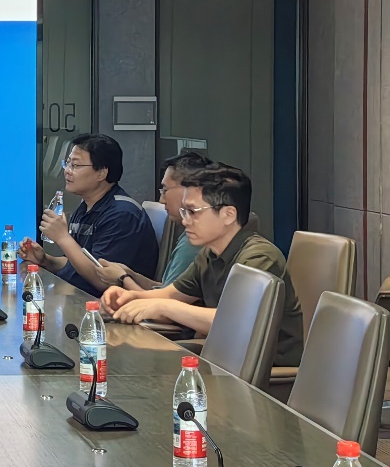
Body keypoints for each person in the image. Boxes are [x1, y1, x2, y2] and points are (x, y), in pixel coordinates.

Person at [100, 165, 303, 367]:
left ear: (228, 214)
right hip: (224, 354)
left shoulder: (260, 257)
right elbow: (171, 295)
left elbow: (234, 323)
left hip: (263, 366)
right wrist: (130, 297)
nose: (185, 221)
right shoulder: (210, 252)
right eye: (184, 211)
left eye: (192, 212)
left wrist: (165, 307)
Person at [17, 133, 158, 295]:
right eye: (67, 163)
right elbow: (76, 264)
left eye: (75, 165)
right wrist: (44, 260)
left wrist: (63, 238)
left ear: (101, 173)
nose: (67, 171)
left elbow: (104, 281)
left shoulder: (122, 214)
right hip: (78, 296)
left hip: (111, 304)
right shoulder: (86, 207)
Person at [94, 150, 212, 291]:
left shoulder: (194, 240)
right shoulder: (189, 234)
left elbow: (166, 303)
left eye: (165, 190)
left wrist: (123, 279)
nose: (162, 200)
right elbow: (166, 290)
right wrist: (130, 275)